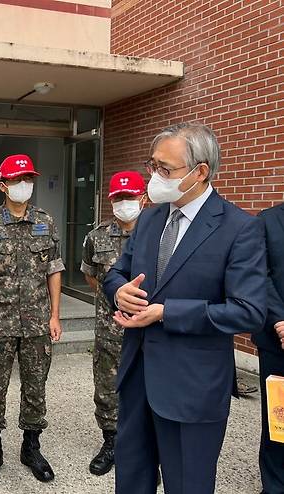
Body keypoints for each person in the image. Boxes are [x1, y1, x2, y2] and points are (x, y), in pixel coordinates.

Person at [103, 122, 267, 494]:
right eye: (152, 165)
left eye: (165, 169)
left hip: (192, 388)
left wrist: (166, 312)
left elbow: (248, 311)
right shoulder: (149, 218)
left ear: (200, 172)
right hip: (138, 377)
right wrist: (119, 292)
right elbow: (117, 273)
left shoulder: (239, 228)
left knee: (188, 485)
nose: (155, 176)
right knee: (131, 480)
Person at [0, 154, 65, 484]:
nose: (25, 185)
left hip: (38, 322)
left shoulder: (46, 221)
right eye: (17, 180)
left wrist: (55, 315)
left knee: (35, 387)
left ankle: (31, 447)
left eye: (28, 179)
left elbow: (54, 271)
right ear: (3, 185)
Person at [80, 170, 147, 476]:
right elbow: (91, 275)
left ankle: (144, 450)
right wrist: (114, 299)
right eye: (118, 198)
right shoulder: (96, 236)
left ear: (142, 198)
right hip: (109, 328)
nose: (124, 203)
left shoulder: (158, 233)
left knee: (146, 389)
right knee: (107, 388)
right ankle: (111, 442)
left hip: (149, 329)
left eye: (129, 197)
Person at [254, 203, 284, 494]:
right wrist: (280, 321)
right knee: (279, 422)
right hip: (278, 343)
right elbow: (259, 276)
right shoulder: (267, 222)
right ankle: (275, 485)